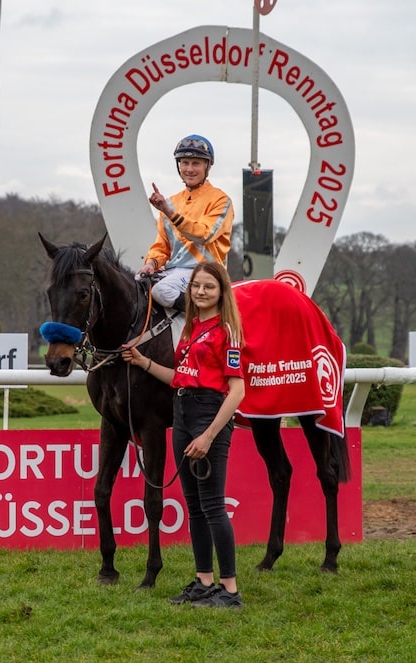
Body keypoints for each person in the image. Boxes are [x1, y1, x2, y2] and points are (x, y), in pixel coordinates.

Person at [122, 261, 246, 608]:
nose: (201, 292)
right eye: (196, 286)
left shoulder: (226, 332)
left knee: (213, 506)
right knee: (194, 506)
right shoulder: (191, 328)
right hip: (182, 412)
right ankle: (204, 581)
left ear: (221, 292)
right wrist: (144, 362)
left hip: (208, 415)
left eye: (209, 286)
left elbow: (237, 391)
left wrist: (208, 436)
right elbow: (180, 377)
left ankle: (230, 590)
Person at [137, 134, 235, 311]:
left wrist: (169, 212)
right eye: (185, 163)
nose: (189, 169)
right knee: (135, 286)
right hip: (173, 271)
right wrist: (151, 264)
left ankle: (205, 318)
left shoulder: (221, 200)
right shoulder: (171, 202)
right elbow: (162, 246)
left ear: (207, 166)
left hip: (206, 272)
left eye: (196, 163)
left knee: (161, 290)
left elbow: (204, 234)